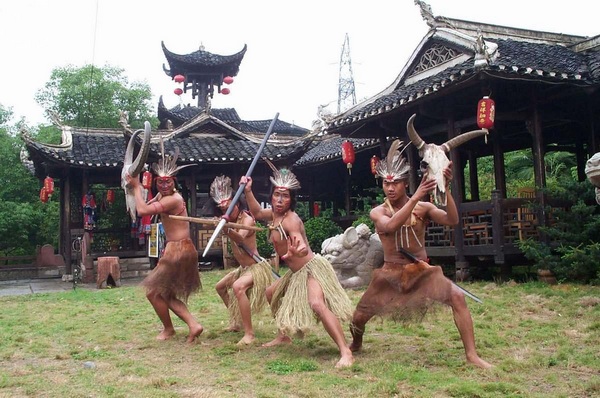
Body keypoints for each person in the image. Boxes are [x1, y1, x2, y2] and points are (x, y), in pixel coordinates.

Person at [349, 140, 493, 369]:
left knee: (458, 297)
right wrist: (416, 197)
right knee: (358, 317)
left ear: (405, 183)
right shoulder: (379, 211)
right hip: (390, 273)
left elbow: (452, 220)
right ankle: (356, 343)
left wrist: (446, 187)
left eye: (396, 183)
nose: (390, 188)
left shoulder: (423, 208)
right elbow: (390, 227)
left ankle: (472, 355)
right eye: (387, 184)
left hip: (421, 271)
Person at [240, 161, 355, 368]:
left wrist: (297, 250)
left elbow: (300, 244)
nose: (280, 200)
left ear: (291, 199)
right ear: (272, 196)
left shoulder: (290, 220)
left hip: (311, 269)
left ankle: (345, 351)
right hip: (295, 272)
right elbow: (257, 213)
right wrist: (248, 190)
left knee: (316, 304)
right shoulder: (274, 216)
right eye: (277, 195)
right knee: (270, 293)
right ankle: (283, 335)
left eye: (285, 196)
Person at [126, 150, 203, 344]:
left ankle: (175, 328)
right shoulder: (163, 195)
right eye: (160, 182)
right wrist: (137, 187)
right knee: (163, 293)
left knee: (154, 292)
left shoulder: (173, 200)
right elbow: (147, 203)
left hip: (179, 251)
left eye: (168, 182)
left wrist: (136, 186)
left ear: (174, 182)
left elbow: (143, 210)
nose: (164, 185)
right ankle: (188, 326)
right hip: (176, 249)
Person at [210, 175, 275, 346]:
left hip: (256, 268)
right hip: (243, 268)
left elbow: (240, 237)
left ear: (236, 204)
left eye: (228, 207)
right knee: (220, 287)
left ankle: (249, 333)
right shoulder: (230, 220)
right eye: (223, 209)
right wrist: (224, 225)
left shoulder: (247, 219)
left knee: (238, 287)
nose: (226, 211)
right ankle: (236, 322)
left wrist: (226, 229)